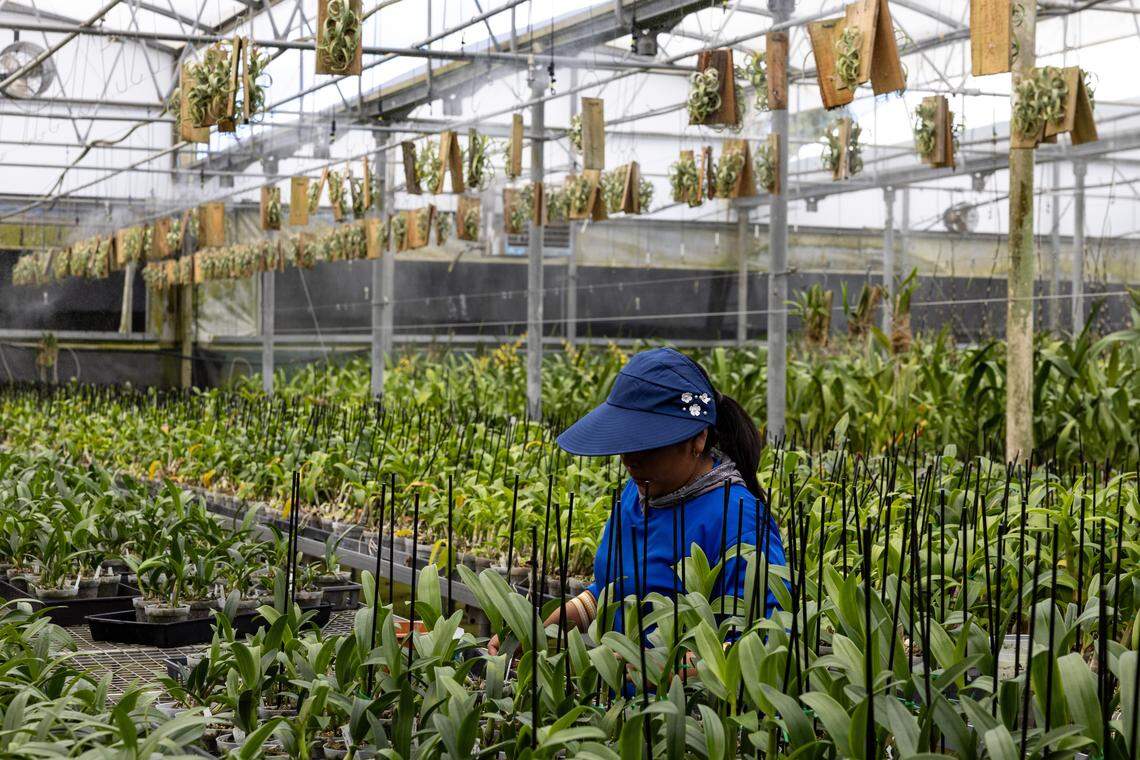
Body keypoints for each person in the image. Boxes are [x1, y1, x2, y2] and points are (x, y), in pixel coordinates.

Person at [487, 347, 786, 655]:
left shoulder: (740, 519)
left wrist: (670, 671)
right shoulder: (638, 493)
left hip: (693, 703)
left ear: (698, 438)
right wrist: (540, 628)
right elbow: (610, 591)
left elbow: (769, 642)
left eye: (647, 443)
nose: (629, 457)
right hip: (617, 697)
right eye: (624, 441)